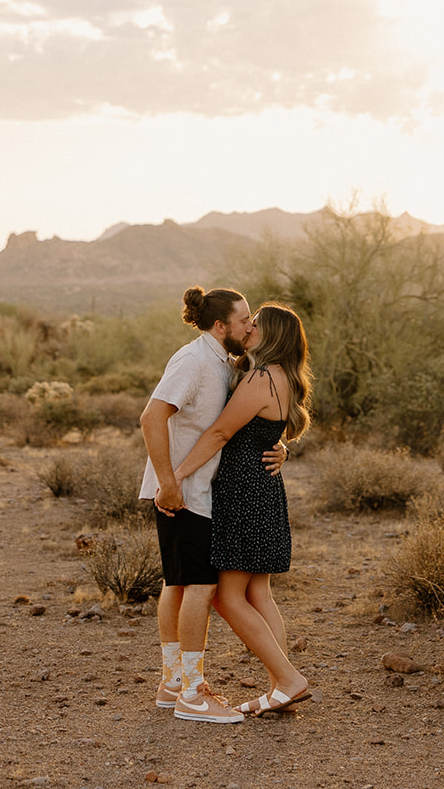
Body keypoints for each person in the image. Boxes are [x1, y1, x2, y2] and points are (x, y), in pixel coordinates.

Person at [139, 286, 286, 725]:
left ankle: (173, 683)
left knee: (180, 584)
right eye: (244, 320)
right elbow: (151, 417)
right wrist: (168, 482)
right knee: (199, 587)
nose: (249, 326)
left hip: (199, 490)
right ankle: (192, 691)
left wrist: (279, 447)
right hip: (183, 492)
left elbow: (239, 425)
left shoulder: (224, 363)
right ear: (220, 325)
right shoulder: (194, 361)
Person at [172, 303, 312, 716]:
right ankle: (282, 688)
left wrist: (176, 475)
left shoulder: (262, 376)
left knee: (228, 597)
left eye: (257, 324)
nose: (249, 328)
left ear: (272, 335)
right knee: (257, 592)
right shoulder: (282, 376)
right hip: (263, 488)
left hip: (243, 491)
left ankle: (288, 680)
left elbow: (219, 431)